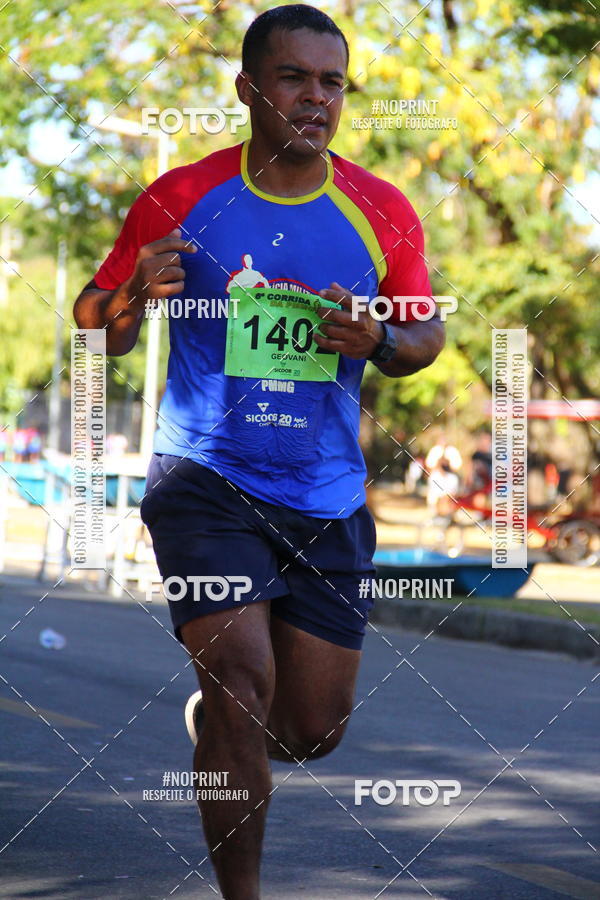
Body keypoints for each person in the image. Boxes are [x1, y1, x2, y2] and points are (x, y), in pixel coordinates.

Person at [73, 6, 444, 897]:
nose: (315, 99)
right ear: (247, 89)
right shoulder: (180, 195)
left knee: (311, 729)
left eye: (332, 83)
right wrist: (130, 295)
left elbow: (426, 333)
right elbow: (97, 328)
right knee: (243, 680)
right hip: (206, 475)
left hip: (324, 493)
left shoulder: (380, 209)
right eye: (293, 79)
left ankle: (223, 716)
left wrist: (382, 344)